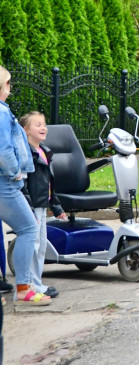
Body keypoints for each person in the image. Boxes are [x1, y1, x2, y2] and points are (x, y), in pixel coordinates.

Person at [0, 67, 49, 305]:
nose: (10, 89)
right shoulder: (0, 111)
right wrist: (14, 173)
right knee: (29, 228)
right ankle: (24, 288)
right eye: (8, 84)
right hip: (5, 183)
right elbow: (3, 149)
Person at [19, 112, 67, 300]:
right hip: (33, 207)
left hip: (42, 205)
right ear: (26, 131)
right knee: (34, 245)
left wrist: (56, 206)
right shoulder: (26, 154)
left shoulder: (44, 151)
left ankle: (37, 283)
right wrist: (29, 207)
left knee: (40, 247)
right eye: (37, 124)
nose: (43, 128)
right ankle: (30, 284)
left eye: (44, 124)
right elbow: (23, 184)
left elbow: (49, 184)